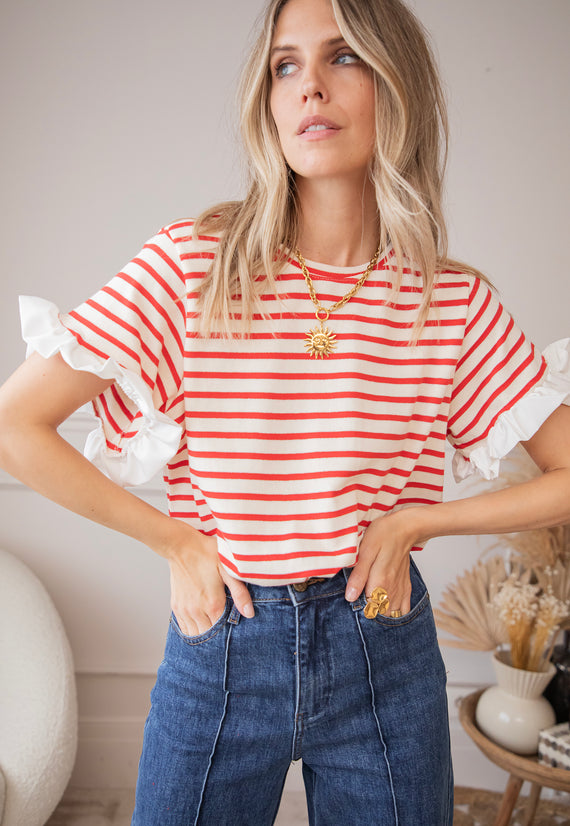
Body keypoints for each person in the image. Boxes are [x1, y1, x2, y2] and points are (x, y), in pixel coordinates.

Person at [0, 0, 569, 823]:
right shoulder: (195, 264)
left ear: (395, 84)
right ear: (266, 102)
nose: (309, 89)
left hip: (384, 648)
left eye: (343, 58)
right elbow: (16, 426)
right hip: (225, 644)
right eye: (286, 66)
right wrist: (173, 538)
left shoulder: (450, 303)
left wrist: (417, 524)